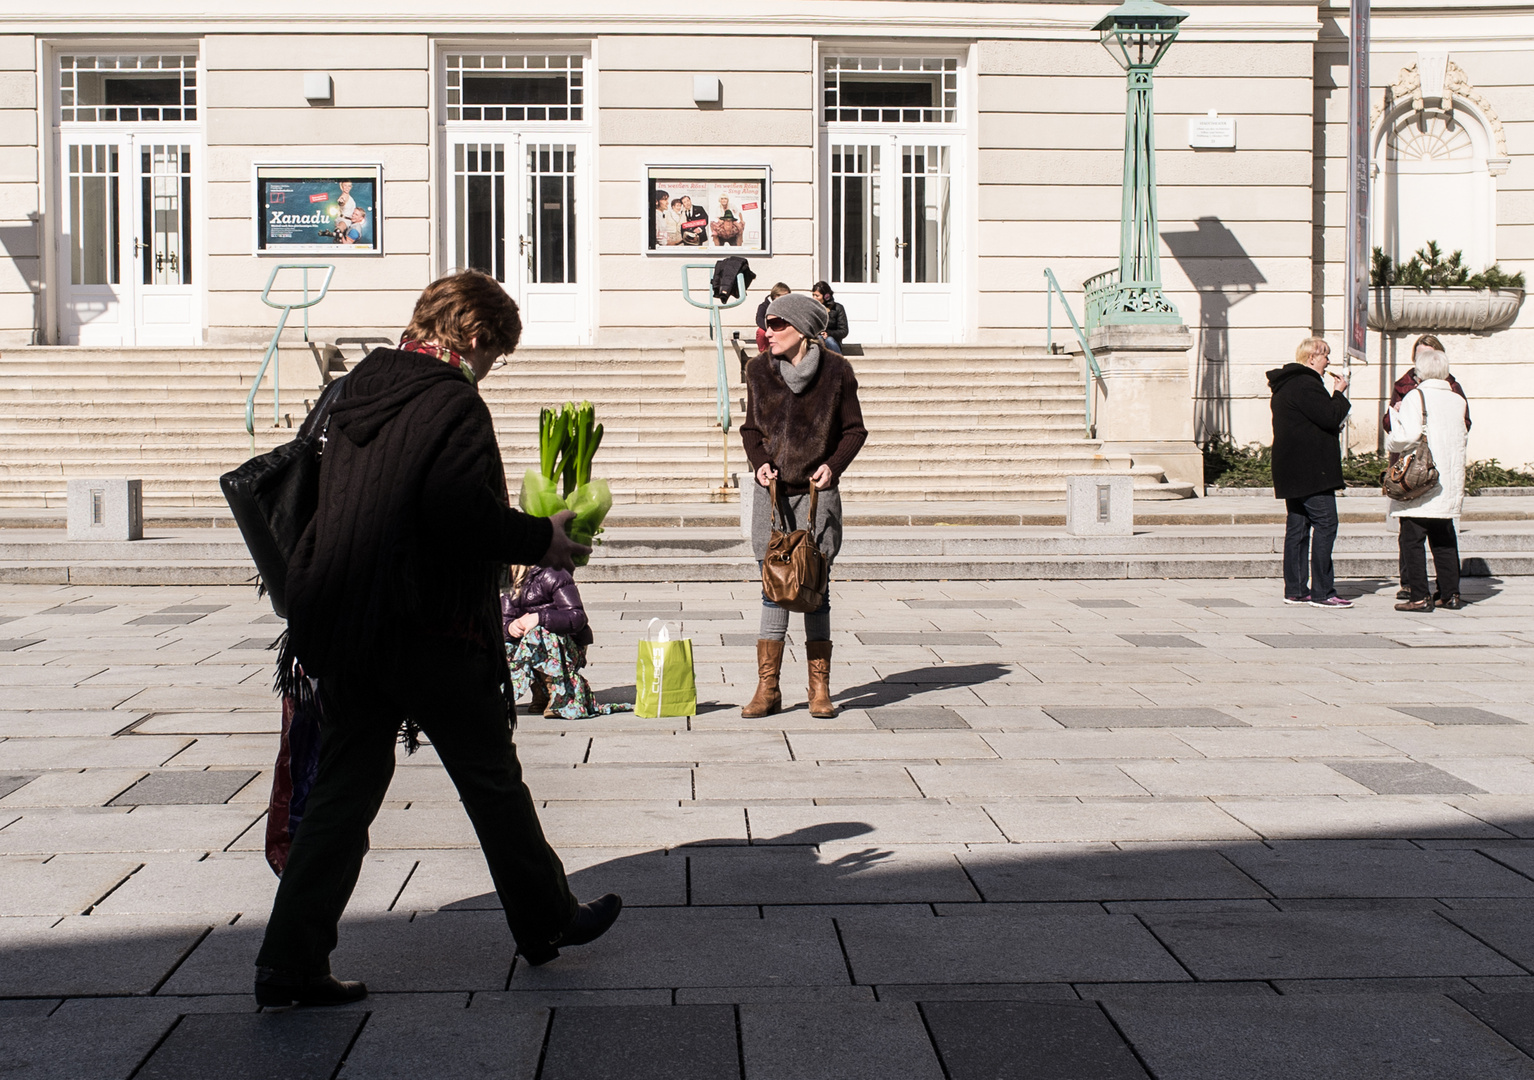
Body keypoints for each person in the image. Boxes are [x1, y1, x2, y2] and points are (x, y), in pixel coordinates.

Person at [254, 270, 622, 1008]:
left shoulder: (358, 387)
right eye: (495, 356)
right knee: (491, 780)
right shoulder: (452, 401)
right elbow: (458, 514)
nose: (490, 371)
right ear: (475, 336)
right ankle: (547, 920)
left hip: (347, 624)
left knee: (342, 794)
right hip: (429, 629)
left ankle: (288, 963)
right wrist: (540, 539)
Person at [739, 292, 868, 718]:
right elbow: (750, 430)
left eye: (778, 325)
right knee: (773, 588)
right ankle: (768, 689)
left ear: (803, 330)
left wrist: (833, 467)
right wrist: (759, 465)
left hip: (817, 495)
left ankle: (819, 690)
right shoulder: (757, 370)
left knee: (815, 588)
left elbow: (854, 431)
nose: (768, 332)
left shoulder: (837, 372)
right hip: (773, 497)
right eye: (767, 324)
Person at [1268, 336, 1353, 608]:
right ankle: (1323, 591)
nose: (1328, 361)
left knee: (1298, 527)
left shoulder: (1286, 385)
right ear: (1312, 358)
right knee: (1326, 524)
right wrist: (1339, 392)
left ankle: (1295, 589)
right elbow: (1330, 416)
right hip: (1312, 471)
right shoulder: (1307, 384)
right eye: (1325, 355)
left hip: (1291, 469)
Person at [1384, 333, 1471, 600]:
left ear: (1420, 371)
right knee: (1444, 538)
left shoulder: (1415, 396)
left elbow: (1404, 437)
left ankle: (1418, 596)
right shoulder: (1458, 400)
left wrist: (1394, 423)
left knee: (1412, 537)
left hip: (1421, 480)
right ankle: (1450, 594)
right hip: (1449, 479)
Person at [503, 564, 632, 718]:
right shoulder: (512, 577)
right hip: (536, 646)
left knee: (536, 634)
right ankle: (540, 689)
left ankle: (559, 693)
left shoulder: (555, 573)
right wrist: (510, 627)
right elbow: (504, 620)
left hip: (567, 647)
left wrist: (540, 617)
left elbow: (577, 617)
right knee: (506, 645)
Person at [812, 281, 850, 354]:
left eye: (817, 296)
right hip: (815, 338)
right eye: (813, 295)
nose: (814, 298)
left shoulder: (838, 308)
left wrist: (828, 333)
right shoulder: (811, 308)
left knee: (829, 340)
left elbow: (844, 331)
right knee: (819, 339)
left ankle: (839, 363)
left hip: (833, 340)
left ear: (826, 296)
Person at [755, 282, 790, 355]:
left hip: (783, 329)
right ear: (775, 296)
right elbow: (759, 320)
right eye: (784, 296)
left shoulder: (788, 306)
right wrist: (771, 328)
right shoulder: (764, 306)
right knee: (761, 332)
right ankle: (764, 354)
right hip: (770, 329)